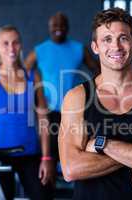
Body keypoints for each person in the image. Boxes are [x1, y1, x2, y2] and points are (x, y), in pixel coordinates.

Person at [59, 8, 132, 200]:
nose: (116, 46)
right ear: (95, 47)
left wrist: (103, 144)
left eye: (123, 38)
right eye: (107, 39)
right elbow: (71, 168)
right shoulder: (77, 97)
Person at [0, 25, 54, 200]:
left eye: (15, 42)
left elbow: (43, 120)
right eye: (6, 43)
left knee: (44, 195)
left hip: (30, 154)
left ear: (20, 45)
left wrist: (46, 157)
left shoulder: (34, 77)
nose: (11, 48)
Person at [25, 11, 99, 160]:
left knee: (74, 152)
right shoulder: (39, 50)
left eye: (62, 25)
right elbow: (23, 74)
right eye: (54, 25)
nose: (58, 28)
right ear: (49, 27)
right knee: (50, 155)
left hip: (74, 111)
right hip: (49, 112)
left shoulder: (79, 49)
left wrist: (91, 94)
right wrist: (35, 98)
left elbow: (98, 70)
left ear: (67, 27)